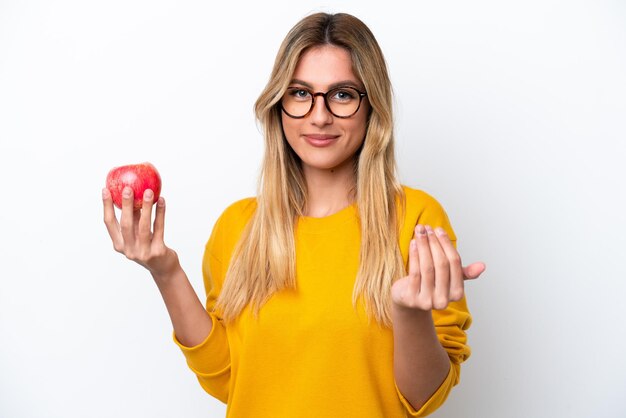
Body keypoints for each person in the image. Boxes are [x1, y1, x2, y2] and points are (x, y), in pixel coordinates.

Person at [102, 12, 485, 418]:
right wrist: (166, 271)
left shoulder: (417, 220)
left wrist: (411, 314)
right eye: (301, 93)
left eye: (342, 94)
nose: (319, 116)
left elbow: (423, 397)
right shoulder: (238, 227)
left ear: (371, 107)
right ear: (278, 105)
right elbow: (229, 379)